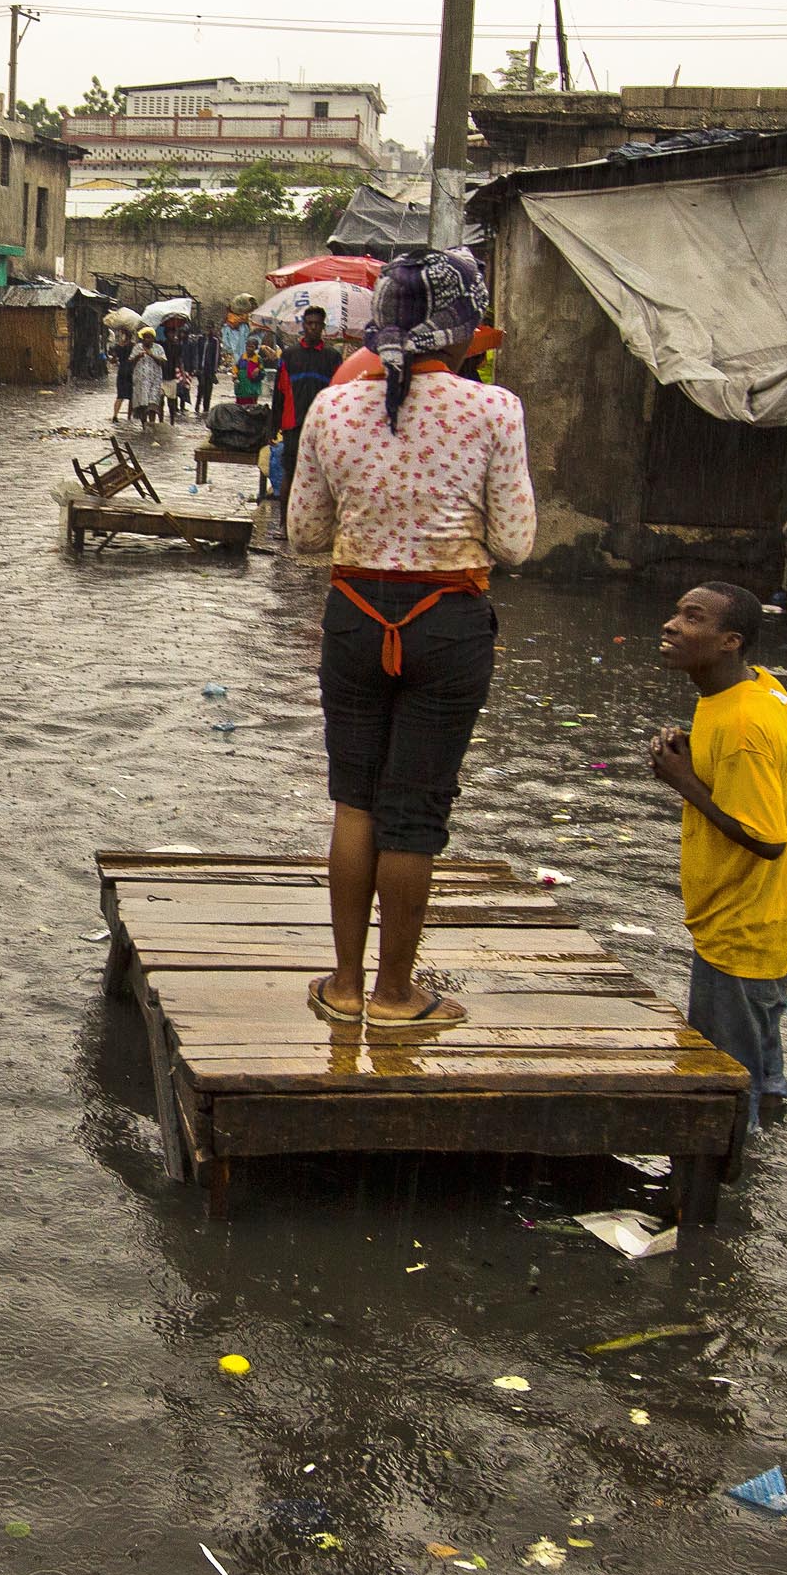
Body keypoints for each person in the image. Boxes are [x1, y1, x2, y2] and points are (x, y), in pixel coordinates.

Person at [287, 246, 533, 1032]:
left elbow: (302, 535)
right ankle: (399, 995)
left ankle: (347, 986)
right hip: (449, 625)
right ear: (460, 333)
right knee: (415, 812)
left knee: (354, 801)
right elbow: (518, 543)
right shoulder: (493, 410)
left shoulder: (333, 407)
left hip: (356, 617)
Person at [649, 582, 787, 1130]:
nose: (672, 625)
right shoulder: (755, 689)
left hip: (738, 930)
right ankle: (766, 1145)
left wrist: (685, 782)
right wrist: (696, 754)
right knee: (758, 1068)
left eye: (692, 618)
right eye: (676, 612)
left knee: (722, 1089)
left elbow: (767, 839)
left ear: (729, 642)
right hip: (765, 921)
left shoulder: (745, 723)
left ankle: (721, 1195)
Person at [273, 307, 337, 524]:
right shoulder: (290, 356)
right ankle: (284, 524)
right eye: (309, 323)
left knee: (324, 476)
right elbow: (279, 393)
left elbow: (337, 393)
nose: (313, 327)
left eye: (317, 324)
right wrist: (273, 426)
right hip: (294, 425)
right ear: (303, 325)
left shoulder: (332, 358)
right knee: (290, 473)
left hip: (323, 427)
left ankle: (318, 524)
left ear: (323, 327)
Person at [124, 328, 167, 428]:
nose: (147, 340)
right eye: (145, 337)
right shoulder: (137, 348)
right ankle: (144, 426)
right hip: (140, 382)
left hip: (154, 382)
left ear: (153, 338)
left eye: (149, 337)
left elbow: (163, 362)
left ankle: (152, 425)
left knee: (153, 404)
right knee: (142, 405)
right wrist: (137, 357)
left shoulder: (158, 348)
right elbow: (130, 362)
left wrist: (151, 355)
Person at [182, 314, 220, 415]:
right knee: (201, 387)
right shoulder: (200, 339)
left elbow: (216, 356)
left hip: (209, 369)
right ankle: (197, 407)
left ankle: (206, 409)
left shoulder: (215, 341)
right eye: (206, 327)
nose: (208, 329)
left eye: (210, 328)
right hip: (200, 368)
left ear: (213, 329)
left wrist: (214, 370)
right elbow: (196, 353)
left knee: (208, 390)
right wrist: (196, 367)